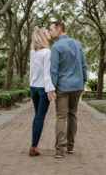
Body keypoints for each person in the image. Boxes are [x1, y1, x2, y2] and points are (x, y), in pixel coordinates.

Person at [49, 21, 87, 158]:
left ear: (59, 29)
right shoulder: (77, 44)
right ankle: (70, 147)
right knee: (72, 115)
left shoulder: (56, 46)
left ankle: (60, 150)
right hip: (77, 86)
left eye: (52, 29)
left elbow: (54, 70)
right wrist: (84, 83)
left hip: (63, 87)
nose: (50, 32)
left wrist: (52, 89)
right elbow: (84, 65)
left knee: (61, 117)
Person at [29, 28, 56, 156]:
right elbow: (47, 74)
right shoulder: (47, 52)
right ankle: (33, 146)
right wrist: (50, 90)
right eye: (46, 32)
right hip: (43, 88)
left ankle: (33, 144)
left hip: (33, 87)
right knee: (40, 117)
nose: (48, 33)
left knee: (37, 116)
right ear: (42, 36)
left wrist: (31, 86)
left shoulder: (33, 52)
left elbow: (32, 73)